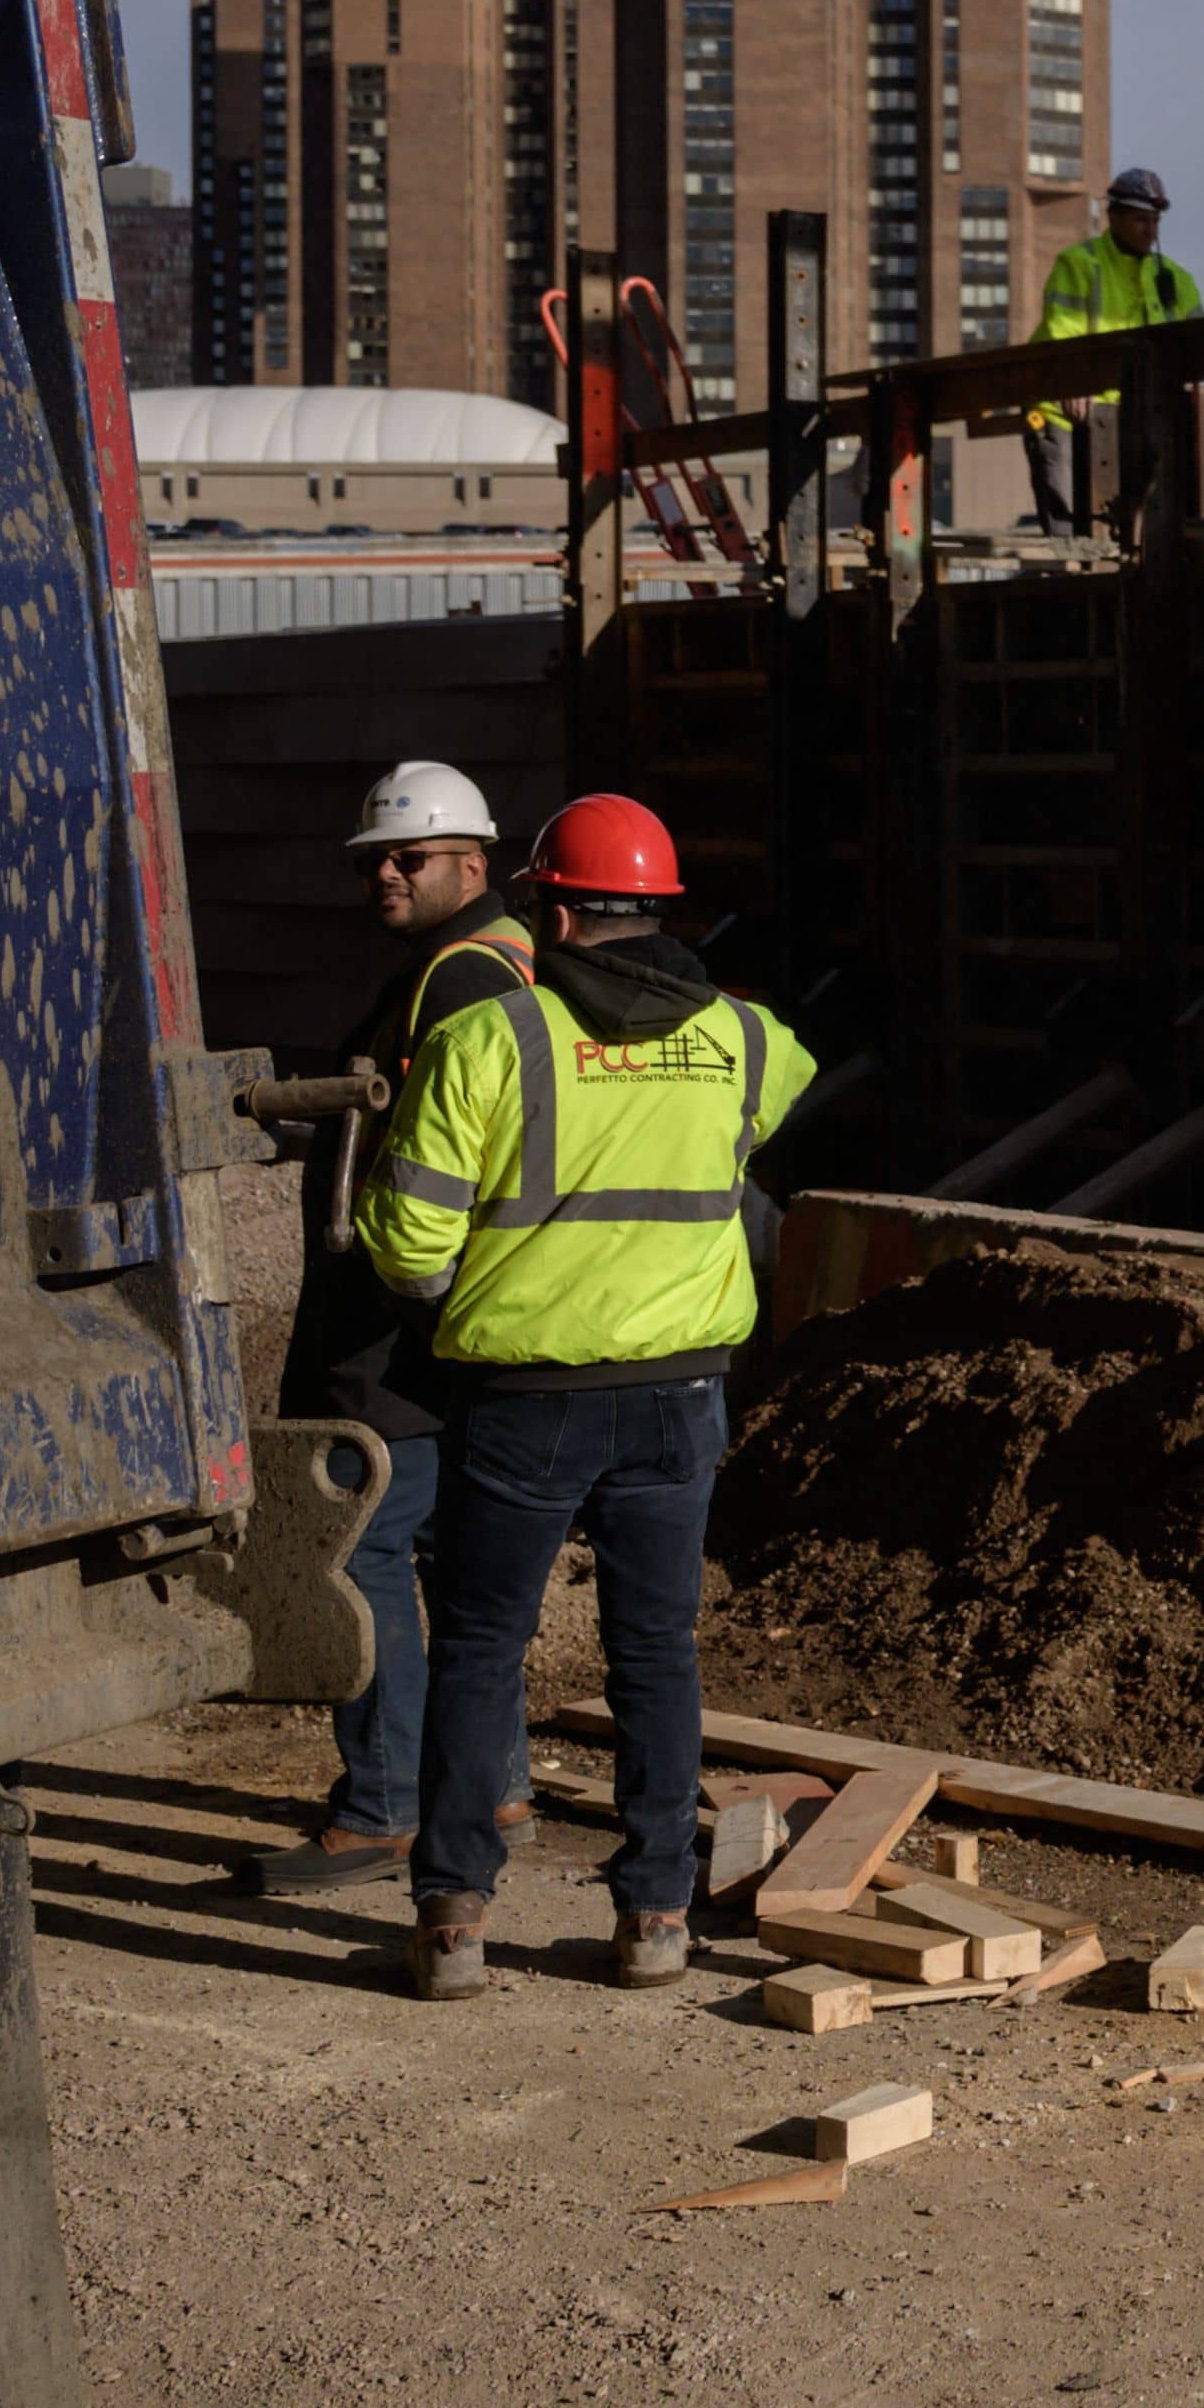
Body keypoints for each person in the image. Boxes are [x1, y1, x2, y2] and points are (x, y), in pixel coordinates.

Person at [362, 796, 811, 2000]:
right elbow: (746, 1138)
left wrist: (482, 1300)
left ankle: (453, 1919)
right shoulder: (754, 1040)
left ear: (550, 906)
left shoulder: (491, 1038)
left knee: (478, 1647)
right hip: (681, 1396)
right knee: (655, 1652)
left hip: (522, 1398)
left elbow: (407, 1243)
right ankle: (656, 1914)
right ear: (662, 908)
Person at [235, 760, 544, 1896]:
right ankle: (492, 1783)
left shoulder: (457, 979)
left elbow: (433, 1166)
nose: (387, 874)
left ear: (475, 861)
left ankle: (385, 1805)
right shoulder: (506, 964)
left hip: (395, 1327)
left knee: (359, 1553)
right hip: (466, 1323)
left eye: (409, 856)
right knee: (457, 1563)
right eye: (375, 859)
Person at [1022, 163, 1203, 537]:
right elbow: (1062, 328)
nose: (1150, 230)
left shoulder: (1175, 280)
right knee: (1069, 518)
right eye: (1140, 220)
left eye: (1154, 221)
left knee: (1132, 521)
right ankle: (1073, 574)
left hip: (1129, 413)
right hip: (1063, 407)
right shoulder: (1080, 264)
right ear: (1114, 217)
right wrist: (1071, 382)